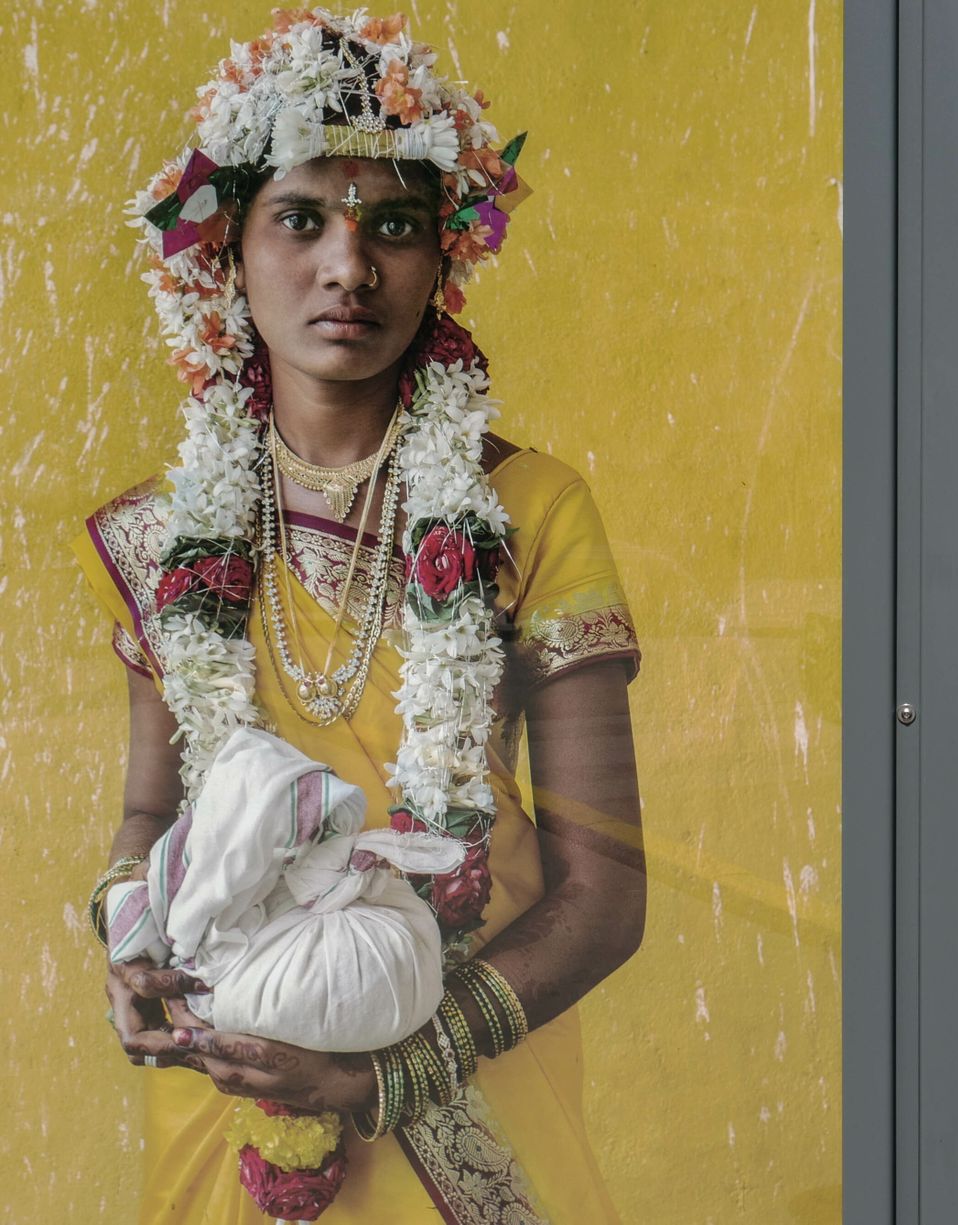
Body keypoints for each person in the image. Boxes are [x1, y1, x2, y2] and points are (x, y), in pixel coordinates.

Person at [74, 12, 642, 1221]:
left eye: (393, 224)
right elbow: (149, 810)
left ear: (443, 261)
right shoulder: (159, 535)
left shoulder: (527, 508)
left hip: (467, 1058)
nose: (348, 265)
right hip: (227, 1061)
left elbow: (606, 890)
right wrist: (127, 940)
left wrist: (385, 1070)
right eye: (301, 219)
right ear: (224, 250)